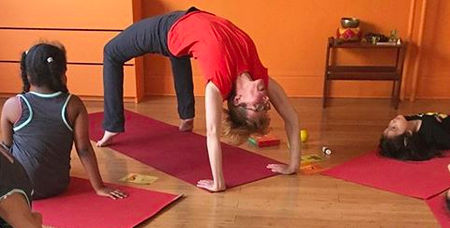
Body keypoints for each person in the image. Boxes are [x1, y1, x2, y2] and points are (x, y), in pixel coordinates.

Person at [96, 8, 302, 192]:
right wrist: (293, 165)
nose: (265, 100)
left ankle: (112, 126)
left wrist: (218, 182)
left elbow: (212, 133)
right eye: (266, 106)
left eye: (258, 106)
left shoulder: (218, 83)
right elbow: (291, 117)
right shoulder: (259, 74)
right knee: (182, 50)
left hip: (165, 30)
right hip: (189, 17)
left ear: (238, 100)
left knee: (111, 52)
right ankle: (186, 116)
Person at [1, 42, 126, 200]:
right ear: (62, 74)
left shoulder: (13, 105)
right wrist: (99, 187)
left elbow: (6, 148)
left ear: (27, 75)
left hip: (20, 188)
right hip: (58, 185)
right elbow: (84, 149)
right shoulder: (74, 104)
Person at [378, 91, 450, 161]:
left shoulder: (409, 120)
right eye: (394, 128)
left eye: (388, 126)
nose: (392, 122)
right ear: (408, 133)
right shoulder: (431, 131)